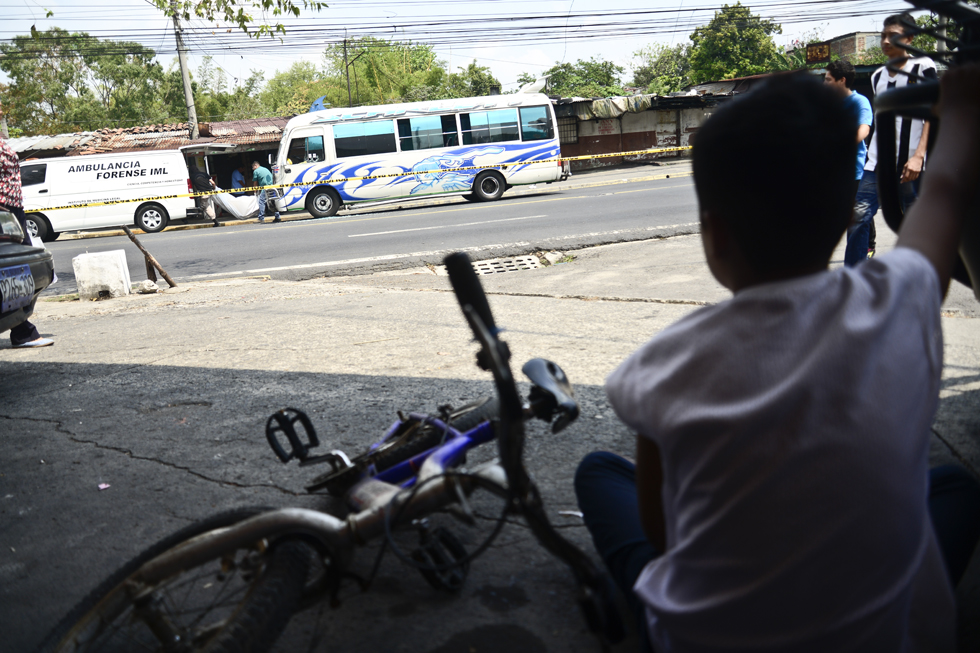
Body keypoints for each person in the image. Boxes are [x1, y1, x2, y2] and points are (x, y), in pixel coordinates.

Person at [574, 69, 980, 652]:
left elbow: (669, 542)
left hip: (705, 637)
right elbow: (945, 191)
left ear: (713, 234)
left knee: (598, 471)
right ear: (848, 214)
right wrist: (962, 111)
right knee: (955, 488)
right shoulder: (900, 299)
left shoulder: (661, 366)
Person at [844, 12, 938, 266]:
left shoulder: (923, 67)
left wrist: (919, 156)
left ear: (909, 38)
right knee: (857, 218)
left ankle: (918, 285)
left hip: (912, 166)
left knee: (914, 228)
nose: (885, 41)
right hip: (876, 165)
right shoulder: (877, 77)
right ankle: (854, 280)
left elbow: (933, 112)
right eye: (883, 35)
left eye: (892, 35)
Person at [0, 102, 53, 348]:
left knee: (20, 273)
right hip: (3, 211)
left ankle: (22, 329)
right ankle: (23, 330)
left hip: (11, 213)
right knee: (16, 272)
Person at [824, 59, 872, 199]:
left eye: (828, 80)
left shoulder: (859, 101)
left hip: (852, 174)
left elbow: (864, 129)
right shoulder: (827, 103)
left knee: (859, 219)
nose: (824, 84)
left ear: (842, 80)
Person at [188, 162, 220, 228]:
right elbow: (213, 183)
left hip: (203, 193)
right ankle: (201, 208)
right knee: (207, 203)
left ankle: (215, 221)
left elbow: (193, 187)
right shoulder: (204, 174)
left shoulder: (192, 177)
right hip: (210, 190)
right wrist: (214, 188)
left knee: (205, 206)